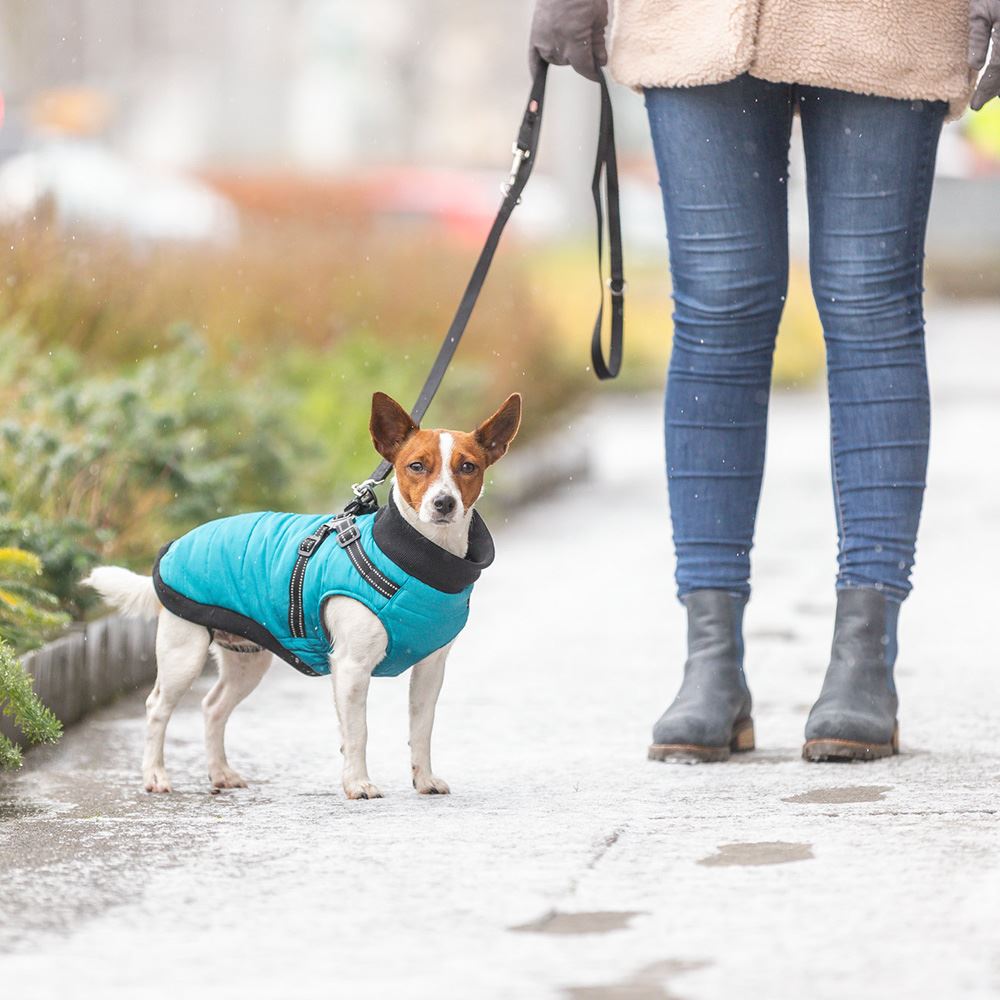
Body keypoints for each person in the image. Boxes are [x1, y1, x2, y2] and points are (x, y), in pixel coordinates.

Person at [528, 1, 1000, 762]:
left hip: (887, 20)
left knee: (870, 304)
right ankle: (710, 663)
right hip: (696, 21)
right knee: (715, 312)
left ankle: (865, 659)